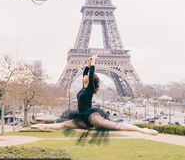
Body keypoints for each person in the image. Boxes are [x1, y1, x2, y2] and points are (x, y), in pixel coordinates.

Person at [30, 54, 158, 136]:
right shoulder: (83, 88)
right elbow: (86, 73)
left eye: (86, 77)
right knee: (63, 124)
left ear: (90, 81)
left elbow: (90, 75)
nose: (84, 77)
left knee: (116, 126)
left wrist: (93, 63)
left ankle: (143, 130)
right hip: (82, 118)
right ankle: (42, 126)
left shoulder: (90, 88)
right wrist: (88, 63)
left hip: (92, 117)